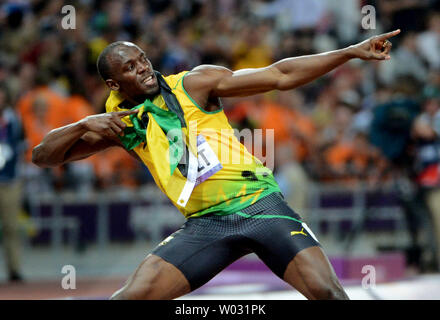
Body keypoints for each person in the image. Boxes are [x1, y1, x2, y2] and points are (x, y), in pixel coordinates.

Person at [32, 29, 400, 300]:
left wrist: (350, 52)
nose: (143, 69)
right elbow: (43, 156)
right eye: (130, 68)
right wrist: (82, 123)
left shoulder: (194, 83)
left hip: (261, 206)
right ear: (114, 83)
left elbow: (279, 75)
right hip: (206, 224)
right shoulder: (122, 125)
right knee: (132, 296)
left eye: (143, 59)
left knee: (329, 294)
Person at [0, 82, 25, 282]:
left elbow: (20, 147)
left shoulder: (14, 120)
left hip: (9, 180)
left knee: (11, 227)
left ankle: (14, 269)